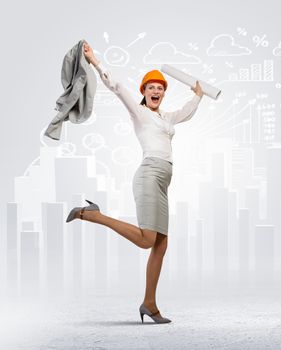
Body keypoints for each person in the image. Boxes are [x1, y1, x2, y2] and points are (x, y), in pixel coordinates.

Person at [66, 42, 203, 324]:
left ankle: (150, 304)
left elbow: (186, 113)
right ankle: (94, 215)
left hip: (164, 181)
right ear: (144, 91)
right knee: (146, 240)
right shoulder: (139, 113)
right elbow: (115, 86)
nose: (156, 91)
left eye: (160, 88)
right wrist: (95, 61)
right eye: (151, 87)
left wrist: (198, 96)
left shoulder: (165, 117)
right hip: (149, 174)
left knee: (161, 244)